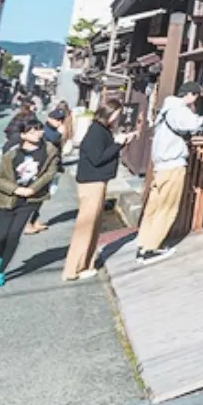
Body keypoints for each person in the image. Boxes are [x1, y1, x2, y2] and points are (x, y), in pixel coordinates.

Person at [135, 83, 203, 263]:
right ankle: (151, 248)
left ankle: (144, 243)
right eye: (196, 97)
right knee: (167, 207)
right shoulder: (179, 109)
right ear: (191, 95)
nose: (195, 101)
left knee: (154, 206)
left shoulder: (166, 108)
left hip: (160, 166)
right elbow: (193, 123)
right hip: (172, 165)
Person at [65, 99, 135, 281]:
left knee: (93, 225)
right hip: (92, 182)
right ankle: (74, 268)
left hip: (96, 181)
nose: (116, 119)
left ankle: (85, 264)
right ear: (109, 114)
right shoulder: (97, 131)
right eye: (115, 115)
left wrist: (120, 142)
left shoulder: (100, 130)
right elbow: (98, 158)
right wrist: (118, 144)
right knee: (86, 226)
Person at [0, 115, 59, 287]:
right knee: (0, 236)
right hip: (7, 199)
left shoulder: (50, 150)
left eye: (39, 129)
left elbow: (50, 172)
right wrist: (16, 189)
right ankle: (1, 256)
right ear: (23, 135)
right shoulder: (11, 154)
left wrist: (32, 189)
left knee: (13, 235)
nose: (37, 133)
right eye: (32, 130)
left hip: (30, 200)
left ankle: (0, 271)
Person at [26, 100, 74, 236]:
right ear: (49, 118)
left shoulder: (52, 129)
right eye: (56, 119)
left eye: (60, 120)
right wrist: (60, 133)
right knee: (38, 195)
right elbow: (51, 141)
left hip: (52, 166)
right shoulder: (45, 130)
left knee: (44, 195)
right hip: (43, 168)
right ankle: (28, 223)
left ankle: (34, 221)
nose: (59, 122)